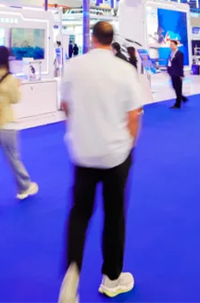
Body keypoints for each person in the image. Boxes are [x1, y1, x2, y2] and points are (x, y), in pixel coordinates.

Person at [58, 21, 143, 302]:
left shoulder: (74, 66)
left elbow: (66, 106)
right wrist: (130, 144)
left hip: (82, 152)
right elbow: (134, 115)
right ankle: (112, 278)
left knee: (79, 214)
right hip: (115, 154)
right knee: (114, 216)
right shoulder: (125, 70)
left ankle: (72, 274)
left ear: (92, 38)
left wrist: (78, 130)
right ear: (111, 40)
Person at [0, 46, 39, 209]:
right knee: (13, 158)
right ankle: (24, 186)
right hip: (6, 125)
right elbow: (16, 99)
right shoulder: (9, 78)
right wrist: (17, 87)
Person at [167, 39, 187, 108]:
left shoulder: (179, 54)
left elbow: (181, 65)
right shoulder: (171, 53)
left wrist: (181, 74)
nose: (171, 46)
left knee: (178, 88)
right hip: (172, 73)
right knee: (174, 86)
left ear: (176, 45)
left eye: (172, 44)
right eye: (170, 45)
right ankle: (182, 97)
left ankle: (178, 104)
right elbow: (170, 63)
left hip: (177, 73)